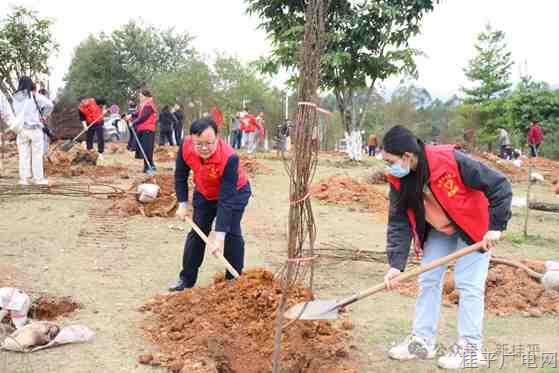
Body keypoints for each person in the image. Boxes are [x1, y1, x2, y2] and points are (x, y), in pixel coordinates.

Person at [381, 126, 512, 370]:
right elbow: (398, 221)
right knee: (428, 278)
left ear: (407, 156)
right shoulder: (399, 179)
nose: (388, 166)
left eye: (390, 160)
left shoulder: (451, 161)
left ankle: (471, 348)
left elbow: (500, 185)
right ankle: (422, 341)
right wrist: (395, 266)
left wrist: (496, 226)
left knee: (468, 284)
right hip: (441, 229)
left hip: (475, 227)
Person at [169, 117, 251, 291]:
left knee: (231, 232)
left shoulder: (229, 158)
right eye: (199, 144)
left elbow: (226, 198)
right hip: (205, 192)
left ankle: (233, 282)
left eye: (209, 143)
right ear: (191, 140)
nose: (204, 148)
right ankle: (186, 279)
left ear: (218, 137)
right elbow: (180, 176)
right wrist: (183, 204)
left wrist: (219, 236)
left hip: (235, 193)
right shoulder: (185, 147)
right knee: (198, 231)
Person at [12, 76, 54, 185]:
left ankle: (24, 179)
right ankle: (38, 179)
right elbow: (50, 105)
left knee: (23, 155)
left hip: (21, 130)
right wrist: (44, 116)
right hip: (35, 129)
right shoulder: (34, 95)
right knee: (37, 155)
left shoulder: (15, 97)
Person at [132, 89, 157, 173]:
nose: (140, 98)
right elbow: (138, 113)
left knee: (147, 149)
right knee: (145, 149)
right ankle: (149, 166)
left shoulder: (149, 105)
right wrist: (130, 116)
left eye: (141, 96)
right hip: (143, 129)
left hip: (148, 129)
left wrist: (134, 123)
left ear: (145, 96)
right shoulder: (144, 105)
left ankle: (148, 167)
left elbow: (143, 117)